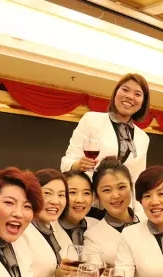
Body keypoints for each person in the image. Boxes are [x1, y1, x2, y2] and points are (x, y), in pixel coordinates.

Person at [61, 74, 150, 214]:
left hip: (122, 208)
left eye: (137, 94)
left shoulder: (143, 138)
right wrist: (77, 165)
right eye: (125, 90)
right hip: (89, 205)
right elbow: (67, 161)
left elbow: (137, 181)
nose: (130, 96)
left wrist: (138, 215)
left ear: (143, 102)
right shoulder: (91, 120)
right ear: (116, 93)